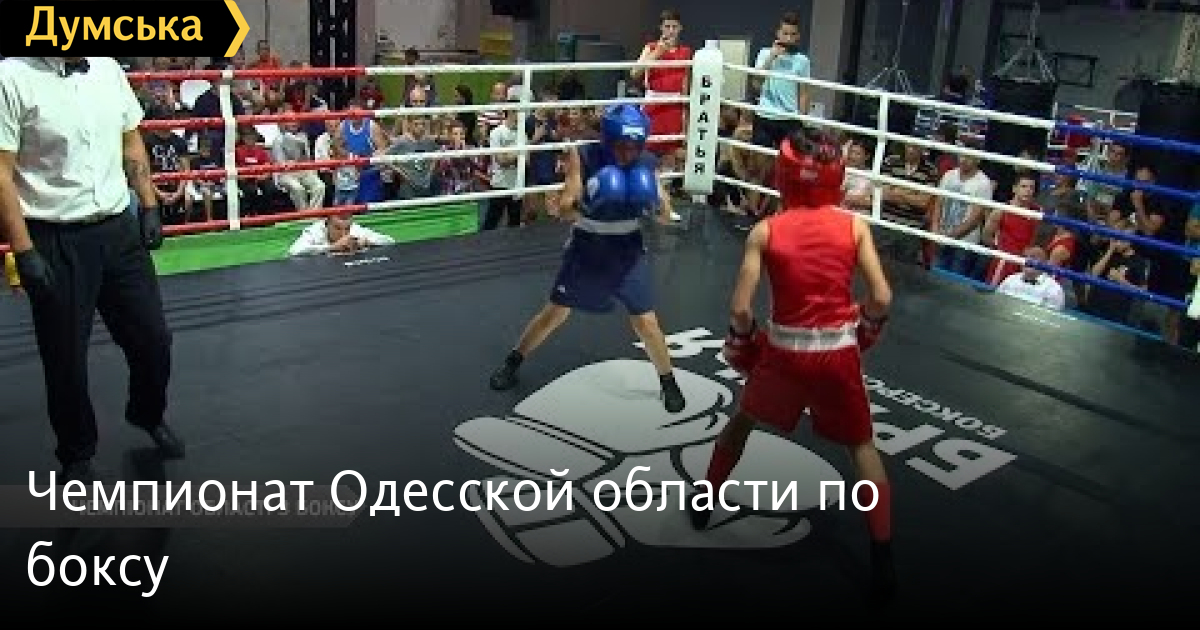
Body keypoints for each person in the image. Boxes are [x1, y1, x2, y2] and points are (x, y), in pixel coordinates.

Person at [688, 127, 896, 605]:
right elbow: (882, 297)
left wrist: (743, 342)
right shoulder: (854, 227)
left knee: (742, 422)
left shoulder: (767, 230)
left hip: (783, 353)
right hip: (838, 352)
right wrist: (866, 328)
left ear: (784, 175)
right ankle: (883, 558)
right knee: (862, 448)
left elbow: (741, 309)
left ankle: (704, 503)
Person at [0, 56, 185, 483]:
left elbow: (130, 138)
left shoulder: (106, 68)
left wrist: (149, 203)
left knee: (153, 339)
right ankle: (76, 453)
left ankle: (147, 412)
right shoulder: (12, 77)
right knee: (64, 357)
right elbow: (2, 172)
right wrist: (24, 250)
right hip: (54, 234)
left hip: (118, 229)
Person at [487, 104, 686, 414]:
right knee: (554, 314)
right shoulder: (585, 155)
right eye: (622, 145)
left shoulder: (646, 162)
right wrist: (589, 202)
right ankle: (513, 361)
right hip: (587, 247)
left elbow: (665, 215)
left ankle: (668, 382)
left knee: (646, 322)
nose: (628, 152)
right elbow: (564, 209)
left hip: (627, 251)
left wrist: (655, 203)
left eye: (634, 145)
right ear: (609, 139)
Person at [288, 213, 395, 257]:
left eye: (347, 229)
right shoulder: (314, 231)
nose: (343, 233)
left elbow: (390, 240)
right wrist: (332, 247)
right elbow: (294, 251)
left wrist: (367, 241)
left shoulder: (355, 229)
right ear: (327, 224)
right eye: (338, 228)